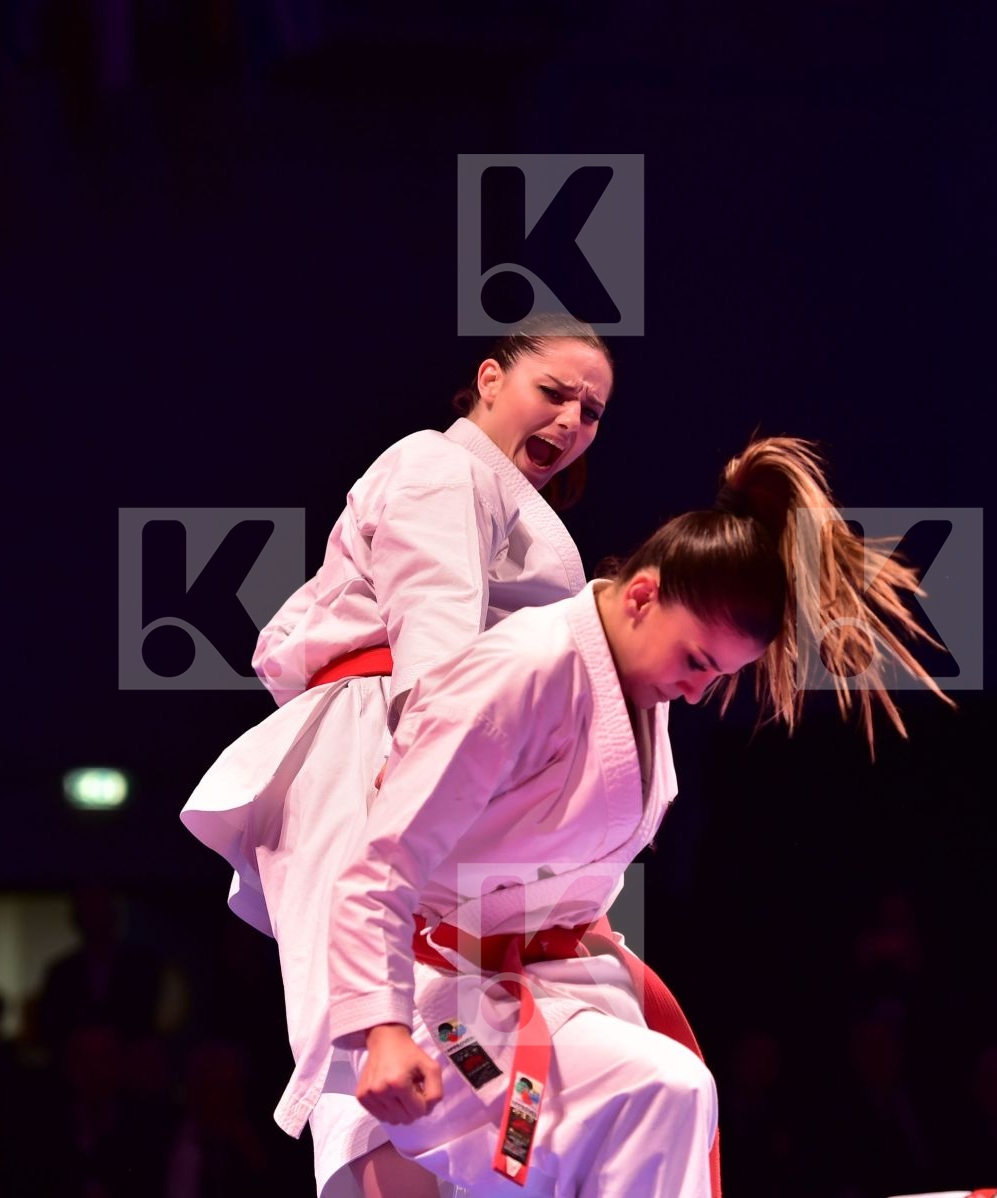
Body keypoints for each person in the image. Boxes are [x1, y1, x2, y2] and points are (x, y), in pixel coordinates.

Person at [328, 435, 950, 1196]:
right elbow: (378, 860)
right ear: (643, 594)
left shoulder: (631, 695)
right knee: (660, 1090)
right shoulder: (523, 669)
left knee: (665, 1097)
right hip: (443, 1011)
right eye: (695, 662)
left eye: (717, 678)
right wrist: (380, 1030)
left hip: (548, 995)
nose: (695, 692)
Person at [181, 314, 615, 1197]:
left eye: (594, 410)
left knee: (470, 1039)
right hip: (381, 749)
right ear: (490, 380)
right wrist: (423, 766)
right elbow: (438, 638)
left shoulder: (517, 508)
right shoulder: (436, 463)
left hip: (452, 765)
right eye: (555, 392)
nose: (572, 421)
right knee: (370, 1038)